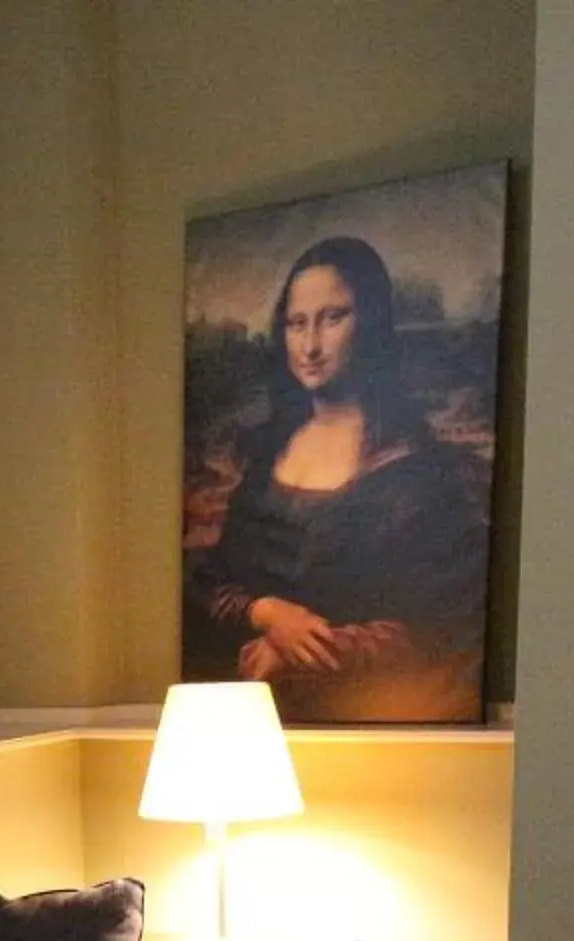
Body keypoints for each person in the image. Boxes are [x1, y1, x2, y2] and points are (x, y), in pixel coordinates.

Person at [184, 236, 488, 722]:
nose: (311, 346)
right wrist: (266, 612)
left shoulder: (415, 471)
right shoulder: (266, 454)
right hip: (248, 723)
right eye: (296, 323)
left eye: (333, 318)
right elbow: (209, 582)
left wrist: (294, 650)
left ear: (368, 324)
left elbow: (434, 631)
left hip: (368, 721)